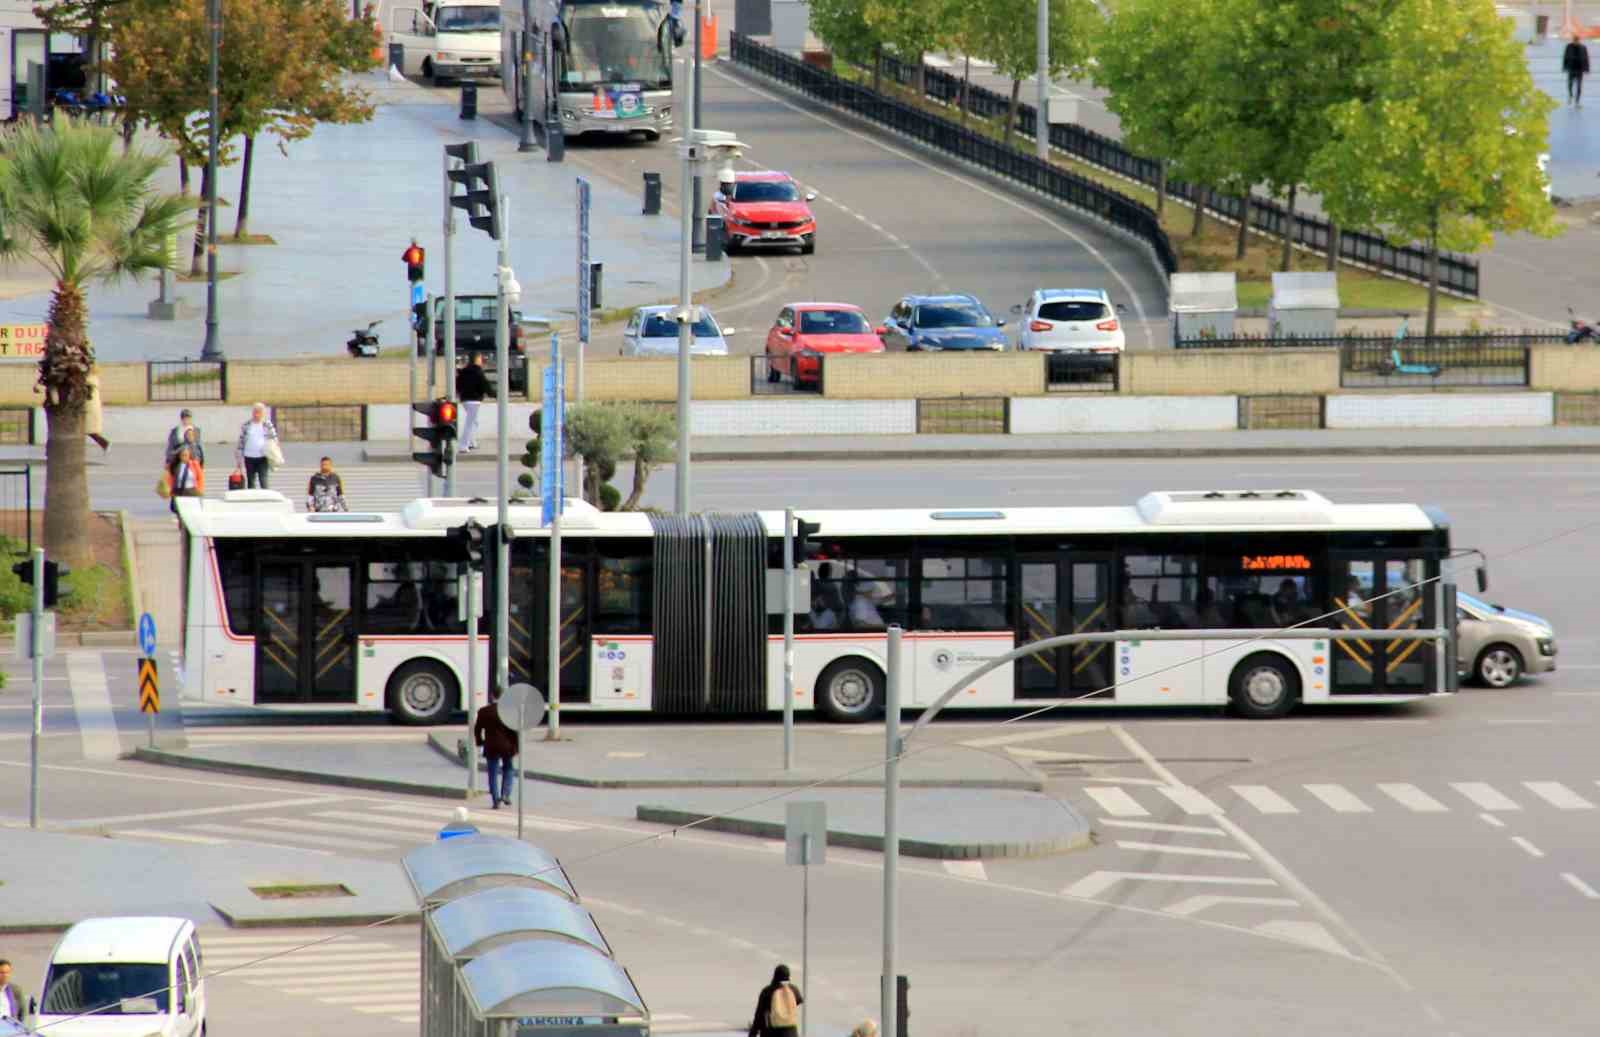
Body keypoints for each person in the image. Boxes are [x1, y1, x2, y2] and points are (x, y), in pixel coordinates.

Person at [474, 685, 519, 808]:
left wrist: (480, 742)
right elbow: (514, 731)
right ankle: (505, 794)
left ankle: (495, 801)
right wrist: (516, 747)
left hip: (491, 746)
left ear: (491, 695)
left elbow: (477, 730)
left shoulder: (483, 711)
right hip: (507, 746)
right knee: (509, 769)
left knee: (492, 774)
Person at [746, 964, 803, 1037]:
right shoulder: (794, 990)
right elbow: (799, 1000)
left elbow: (759, 1015)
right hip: (791, 1032)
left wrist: (753, 1033)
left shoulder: (767, 991)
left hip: (771, 1031)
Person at [235, 402, 280, 490]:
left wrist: (276, 453)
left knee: (263, 480)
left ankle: (266, 500)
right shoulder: (247, 425)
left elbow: (274, 439)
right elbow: (241, 442)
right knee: (251, 481)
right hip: (249, 457)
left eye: (259, 412)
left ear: (263, 413)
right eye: (255, 412)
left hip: (262, 456)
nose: (256, 414)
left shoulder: (267, 425)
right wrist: (239, 458)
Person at [456, 352, 490, 452]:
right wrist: (493, 394)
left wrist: (461, 393)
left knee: (474, 422)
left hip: (465, 399)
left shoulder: (464, 371)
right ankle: (463, 445)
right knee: (470, 423)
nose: (481, 360)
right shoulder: (478, 371)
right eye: (480, 358)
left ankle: (471, 442)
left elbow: (458, 384)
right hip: (475, 400)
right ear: (476, 359)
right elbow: (484, 384)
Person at [168, 444, 204, 516]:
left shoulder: (194, 464)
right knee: (179, 511)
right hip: (179, 491)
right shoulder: (176, 465)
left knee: (191, 511)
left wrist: (199, 490)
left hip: (191, 491)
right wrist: (171, 491)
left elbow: (200, 477)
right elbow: (172, 479)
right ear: (179, 456)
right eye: (183, 455)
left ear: (189, 455)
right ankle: (182, 524)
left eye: (186, 455)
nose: (184, 457)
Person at [1564, 33, 1591, 107]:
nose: (1576, 42)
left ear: (1579, 40)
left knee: (1579, 86)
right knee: (1570, 84)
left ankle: (1577, 101)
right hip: (1571, 68)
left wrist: (1587, 69)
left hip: (1579, 69)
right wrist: (1565, 66)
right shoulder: (1568, 46)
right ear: (1573, 40)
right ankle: (1570, 95)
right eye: (1575, 40)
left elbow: (1586, 58)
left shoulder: (1583, 47)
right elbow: (1565, 56)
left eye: (1577, 40)